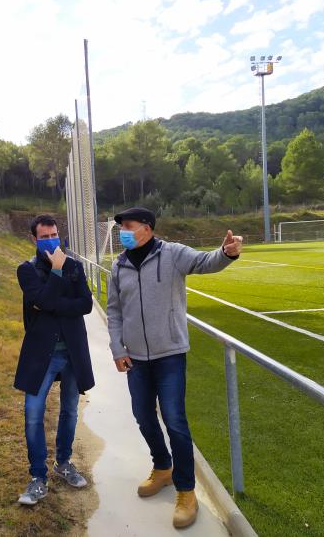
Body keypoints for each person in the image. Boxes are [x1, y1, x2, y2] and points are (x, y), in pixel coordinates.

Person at [106, 207, 242, 529]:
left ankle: (186, 491)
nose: (123, 231)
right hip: (135, 359)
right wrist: (117, 348)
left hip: (170, 355)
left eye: (128, 225)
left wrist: (226, 253)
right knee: (142, 416)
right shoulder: (119, 265)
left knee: (175, 421)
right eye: (121, 226)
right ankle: (162, 467)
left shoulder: (172, 255)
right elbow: (114, 312)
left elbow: (204, 262)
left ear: (147, 229)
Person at [14, 214, 95, 505]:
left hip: (72, 352)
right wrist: (58, 274)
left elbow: (85, 304)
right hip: (41, 356)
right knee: (33, 414)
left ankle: (64, 463)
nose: (51, 240)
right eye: (45, 236)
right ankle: (38, 477)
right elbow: (44, 301)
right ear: (34, 239)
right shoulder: (27, 270)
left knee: (70, 411)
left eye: (54, 234)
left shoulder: (75, 266)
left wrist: (51, 304)